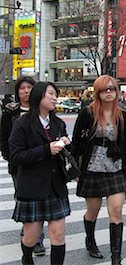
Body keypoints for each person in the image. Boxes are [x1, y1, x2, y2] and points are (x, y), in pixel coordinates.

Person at [72, 75, 126, 265]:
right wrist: (75, 169)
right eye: (104, 90)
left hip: (115, 168)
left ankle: (116, 257)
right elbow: (76, 142)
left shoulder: (123, 115)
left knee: (116, 210)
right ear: (97, 92)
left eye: (112, 89)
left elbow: (125, 145)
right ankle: (90, 240)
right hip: (92, 168)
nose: (108, 92)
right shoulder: (87, 113)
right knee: (93, 210)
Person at [9, 82, 71, 265]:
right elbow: (15, 155)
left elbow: (65, 154)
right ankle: (26, 258)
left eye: (55, 94)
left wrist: (66, 144)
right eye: (50, 94)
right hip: (32, 186)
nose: (54, 98)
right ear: (39, 96)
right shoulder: (22, 123)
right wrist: (46, 150)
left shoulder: (58, 123)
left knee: (58, 235)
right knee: (31, 237)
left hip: (55, 186)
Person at [0, 77, 47, 257]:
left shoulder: (41, 110)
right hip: (19, 163)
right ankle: (29, 229)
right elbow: (3, 137)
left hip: (41, 161)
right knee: (24, 197)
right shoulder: (11, 112)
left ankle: (38, 239)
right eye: (22, 88)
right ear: (17, 91)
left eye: (29, 88)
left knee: (40, 197)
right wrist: (8, 155)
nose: (26, 91)